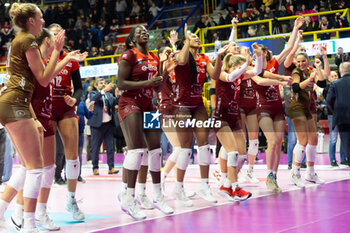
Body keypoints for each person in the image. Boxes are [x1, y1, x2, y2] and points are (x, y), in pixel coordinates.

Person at [0, 3, 83, 233]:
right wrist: (59, 51)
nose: (44, 21)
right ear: (30, 21)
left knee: (29, 168)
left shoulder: (25, 41)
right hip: (17, 103)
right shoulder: (28, 41)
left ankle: (9, 215)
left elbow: (45, 76)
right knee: (36, 168)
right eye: (41, 17)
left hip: (14, 103)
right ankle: (27, 223)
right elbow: (44, 80)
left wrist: (64, 58)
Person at [118, 25, 173, 220]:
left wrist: (165, 71)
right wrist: (146, 84)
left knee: (157, 150)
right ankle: (129, 198)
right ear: (132, 39)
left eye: (145, 31)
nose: (144, 33)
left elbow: (158, 86)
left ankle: (158, 195)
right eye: (139, 32)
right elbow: (121, 83)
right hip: (129, 103)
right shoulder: (129, 56)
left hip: (148, 105)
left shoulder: (154, 57)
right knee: (137, 150)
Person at [255, 16, 305, 192]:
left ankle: (273, 176)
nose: (258, 55)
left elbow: (289, 47)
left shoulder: (274, 62)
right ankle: (269, 175)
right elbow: (262, 81)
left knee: (278, 142)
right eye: (256, 54)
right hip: (262, 108)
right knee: (273, 140)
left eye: (261, 52)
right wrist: (282, 81)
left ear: (266, 52)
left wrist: (295, 27)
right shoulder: (255, 69)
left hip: (277, 106)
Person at [48, 23, 86, 221]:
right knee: (45, 162)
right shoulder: (41, 55)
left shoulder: (71, 59)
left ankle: (71, 200)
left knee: (73, 157)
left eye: (61, 34)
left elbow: (79, 88)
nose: (58, 37)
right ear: (48, 37)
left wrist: (76, 99)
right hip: (45, 107)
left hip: (65, 107)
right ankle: (40, 206)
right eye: (54, 34)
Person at [289, 54, 326, 188]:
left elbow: (322, 83)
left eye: (303, 61)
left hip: (307, 109)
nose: (300, 63)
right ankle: (295, 173)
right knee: (302, 140)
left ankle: (310, 173)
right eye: (298, 61)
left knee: (313, 139)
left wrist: (319, 68)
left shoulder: (310, 71)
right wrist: (309, 79)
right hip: (297, 107)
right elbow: (296, 87)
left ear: (307, 61)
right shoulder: (296, 72)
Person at [88, 78, 119, 175]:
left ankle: (111, 167)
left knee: (110, 147)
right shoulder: (93, 93)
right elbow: (94, 99)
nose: (103, 84)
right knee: (95, 147)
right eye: (101, 83)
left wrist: (117, 97)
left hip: (108, 124)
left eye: (104, 83)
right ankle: (95, 168)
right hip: (97, 125)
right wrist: (104, 90)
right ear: (96, 86)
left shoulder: (109, 95)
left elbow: (115, 103)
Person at [327, 62, 350, 165]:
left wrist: (335, 111)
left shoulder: (335, 84)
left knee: (346, 143)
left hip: (342, 117)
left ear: (340, 72)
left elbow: (328, 101)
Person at [76, 97, 93, 181]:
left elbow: (89, 116)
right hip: (68, 133)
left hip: (80, 133)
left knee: (79, 155)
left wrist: (91, 110)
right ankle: (65, 176)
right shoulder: (66, 102)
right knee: (65, 155)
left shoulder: (81, 103)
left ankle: (78, 176)